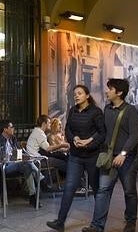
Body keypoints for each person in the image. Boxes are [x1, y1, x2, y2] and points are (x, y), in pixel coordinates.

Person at [82, 78, 138, 232]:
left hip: (127, 159)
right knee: (103, 191)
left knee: (129, 191)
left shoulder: (131, 111)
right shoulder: (107, 109)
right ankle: (97, 226)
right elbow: (103, 132)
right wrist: (89, 139)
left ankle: (130, 222)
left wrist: (123, 154)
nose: (106, 91)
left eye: (110, 89)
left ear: (119, 92)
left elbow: (134, 136)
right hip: (109, 157)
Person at [46, 84, 106, 232]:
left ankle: (97, 225)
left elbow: (102, 133)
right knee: (69, 188)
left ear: (87, 95)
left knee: (97, 189)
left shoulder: (96, 112)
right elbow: (68, 129)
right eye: (74, 94)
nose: (76, 96)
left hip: (92, 156)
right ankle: (60, 222)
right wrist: (74, 139)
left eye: (79, 93)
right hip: (75, 157)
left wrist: (89, 141)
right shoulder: (72, 110)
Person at [0, 119, 41, 208]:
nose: (14, 129)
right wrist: (7, 157)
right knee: (26, 164)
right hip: (4, 166)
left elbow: (19, 152)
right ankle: (40, 176)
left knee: (27, 166)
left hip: (16, 164)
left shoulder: (13, 138)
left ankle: (33, 196)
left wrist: (21, 156)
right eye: (11, 127)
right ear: (5, 129)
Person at [26, 114, 70, 181]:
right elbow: (48, 148)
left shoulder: (37, 131)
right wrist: (62, 145)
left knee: (62, 158)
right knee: (63, 163)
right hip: (37, 160)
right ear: (44, 124)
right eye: (49, 123)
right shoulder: (39, 133)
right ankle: (73, 181)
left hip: (36, 158)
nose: (50, 124)